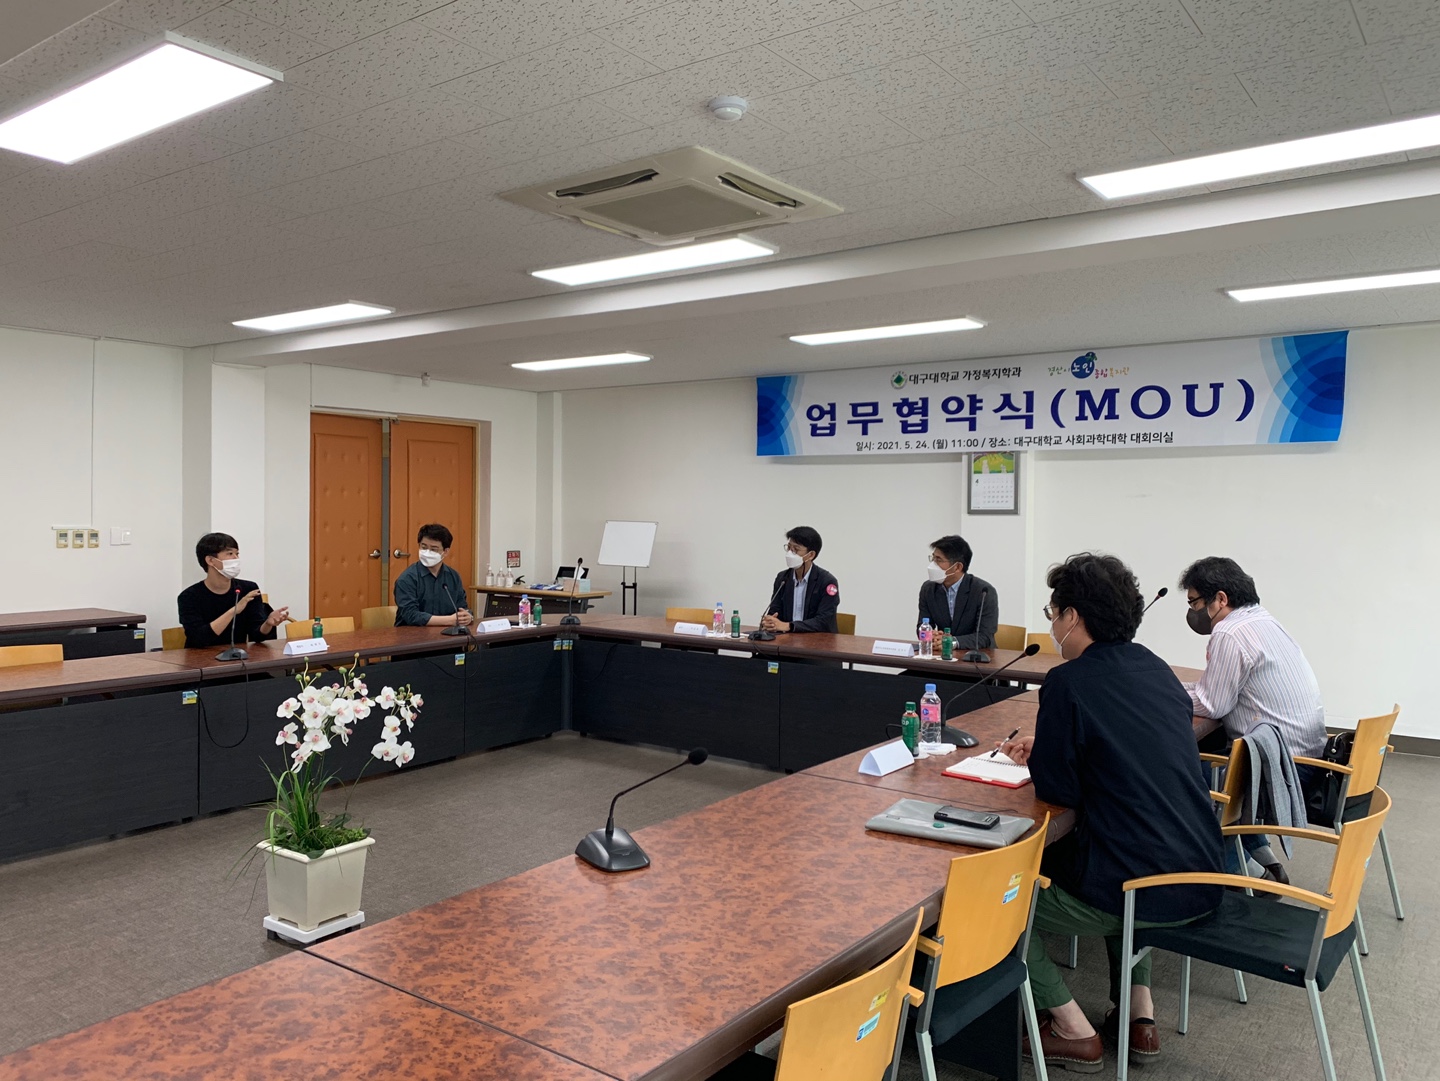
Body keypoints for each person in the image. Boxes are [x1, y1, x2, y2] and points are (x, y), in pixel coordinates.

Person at [999, 553, 1222, 1072]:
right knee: (1135, 849)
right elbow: (1128, 748)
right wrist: (1056, 745)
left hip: (1136, 887)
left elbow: (1060, 790)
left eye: (1053, 612)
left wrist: (1051, 754)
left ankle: (1072, 1028)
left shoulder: (1068, 682)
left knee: (998, 901)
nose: (1052, 624)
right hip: (1200, 872)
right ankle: (1139, 1014)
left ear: (1072, 616)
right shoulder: (1156, 669)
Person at [1179, 556, 1327, 882]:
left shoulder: (1229, 632)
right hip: (1307, 759)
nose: (1192, 611)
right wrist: (1177, 687)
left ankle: (1245, 874)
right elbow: (1216, 692)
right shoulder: (1264, 621)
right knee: (1213, 752)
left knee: (1181, 772)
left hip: (1281, 769)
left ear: (1220, 599)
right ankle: (1261, 858)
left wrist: (1160, 694)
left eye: (1194, 602)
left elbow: (1212, 704)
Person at [178, 533, 289, 649]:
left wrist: (267, 624)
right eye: (230, 554)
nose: (236, 559)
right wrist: (234, 610)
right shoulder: (188, 596)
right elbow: (199, 639)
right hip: (200, 657)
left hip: (237, 656)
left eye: (237, 554)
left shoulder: (248, 589)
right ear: (210, 560)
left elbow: (257, 636)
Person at [916, 534, 997, 648]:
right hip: (942, 654)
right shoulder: (928, 589)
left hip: (977, 655)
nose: (933, 564)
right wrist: (931, 636)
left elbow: (985, 637)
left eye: (938, 559)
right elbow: (923, 625)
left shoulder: (983, 591)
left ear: (957, 567)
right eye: (933, 558)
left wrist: (951, 642)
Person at [759, 526, 839, 634]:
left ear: (811, 555)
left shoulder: (827, 582)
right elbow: (775, 612)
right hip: (787, 639)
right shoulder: (783, 578)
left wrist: (790, 626)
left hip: (817, 640)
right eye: (789, 548)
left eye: (796, 549)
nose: (790, 553)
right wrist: (770, 622)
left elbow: (824, 621)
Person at [394, 523, 472, 628]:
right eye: (424, 547)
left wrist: (467, 616)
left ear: (445, 552)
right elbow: (411, 615)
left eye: (433, 549)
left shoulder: (453, 577)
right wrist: (449, 620)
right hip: (412, 634)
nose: (427, 553)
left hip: (447, 634)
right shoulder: (407, 579)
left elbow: (462, 608)